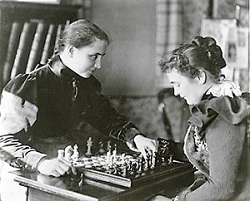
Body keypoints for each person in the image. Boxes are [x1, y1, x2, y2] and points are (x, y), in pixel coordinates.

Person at [0, 19, 156, 201]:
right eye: (93, 56)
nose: (99, 65)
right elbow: (5, 142)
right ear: (71, 51)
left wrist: (134, 136)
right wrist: (41, 162)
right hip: (27, 175)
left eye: (102, 57)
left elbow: (106, 117)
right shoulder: (28, 86)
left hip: (65, 167)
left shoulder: (85, 84)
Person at [153, 36, 249, 201]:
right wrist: (162, 148)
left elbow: (222, 188)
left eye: (178, 84)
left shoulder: (225, 114)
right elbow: (210, 151)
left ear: (199, 76)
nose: (176, 92)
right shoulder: (216, 104)